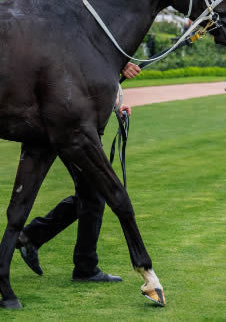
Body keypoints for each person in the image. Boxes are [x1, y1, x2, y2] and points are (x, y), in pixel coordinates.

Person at [17, 62, 142, 282]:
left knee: (91, 195)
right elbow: (75, 71)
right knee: (95, 194)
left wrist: (115, 105)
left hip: (74, 128)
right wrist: (119, 66)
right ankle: (82, 265)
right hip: (70, 130)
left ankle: (35, 237)